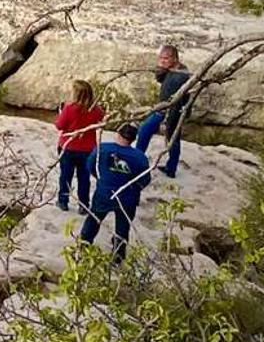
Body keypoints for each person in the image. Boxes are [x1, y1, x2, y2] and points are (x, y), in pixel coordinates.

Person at [78, 123, 152, 263]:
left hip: (104, 192)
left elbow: (90, 166)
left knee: (93, 220)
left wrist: (102, 179)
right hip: (127, 196)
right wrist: (134, 189)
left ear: (118, 134)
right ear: (133, 139)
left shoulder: (103, 148)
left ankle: (83, 247)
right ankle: (117, 257)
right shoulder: (140, 157)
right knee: (123, 227)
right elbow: (145, 179)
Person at [53, 79, 105, 212]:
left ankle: (63, 201)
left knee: (65, 175)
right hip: (87, 149)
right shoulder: (96, 110)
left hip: (69, 147)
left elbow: (59, 126)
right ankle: (83, 204)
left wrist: (61, 112)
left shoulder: (69, 109)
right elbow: (101, 119)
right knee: (84, 178)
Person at [141, 45, 192, 179]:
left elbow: (176, 102)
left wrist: (167, 121)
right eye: (161, 58)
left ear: (175, 59)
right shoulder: (172, 69)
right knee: (172, 139)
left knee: (145, 131)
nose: (162, 61)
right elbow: (160, 79)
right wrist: (162, 68)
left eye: (166, 58)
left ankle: (137, 161)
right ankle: (171, 168)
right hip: (165, 109)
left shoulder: (180, 76)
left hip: (169, 112)